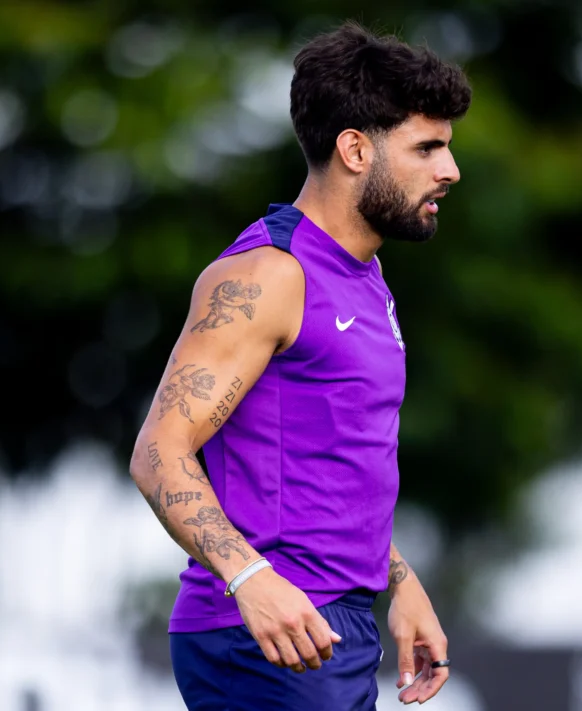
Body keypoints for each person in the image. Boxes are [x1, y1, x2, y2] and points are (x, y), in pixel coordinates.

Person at [128, 21, 472, 710]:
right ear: (355, 149)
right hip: (264, 634)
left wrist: (399, 581)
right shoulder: (268, 275)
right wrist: (249, 578)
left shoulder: (366, 278)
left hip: (332, 625)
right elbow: (159, 452)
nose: (450, 170)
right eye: (427, 147)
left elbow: (332, 465)